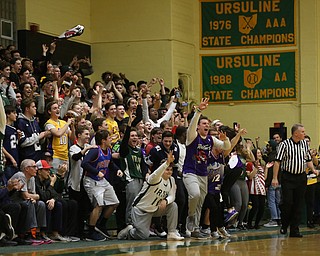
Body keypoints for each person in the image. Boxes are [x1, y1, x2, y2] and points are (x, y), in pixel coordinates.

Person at [183, 98, 231, 239]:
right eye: (204, 123)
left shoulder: (210, 139)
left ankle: (195, 228)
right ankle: (190, 218)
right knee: (195, 194)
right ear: (198, 126)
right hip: (190, 172)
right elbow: (191, 126)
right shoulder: (192, 136)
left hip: (203, 174)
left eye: (208, 123)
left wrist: (225, 139)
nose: (207, 125)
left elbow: (226, 147)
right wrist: (198, 111)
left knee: (200, 203)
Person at [117, 151, 184, 241]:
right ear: (162, 169)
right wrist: (166, 163)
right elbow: (156, 173)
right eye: (167, 169)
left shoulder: (171, 180)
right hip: (141, 209)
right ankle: (129, 231)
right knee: (143, 235)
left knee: (173, 206)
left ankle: (171, 232)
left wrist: (166, 201)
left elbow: (172, 196)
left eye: (171, 170)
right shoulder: (154, 178)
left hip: (155, 209)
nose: (169, 172)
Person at [272, 123, 319, 237]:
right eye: (302, 132)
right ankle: (284, 225)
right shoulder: (284, 144)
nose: (304, 133)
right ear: (296, 133)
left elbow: (308, 159)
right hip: (288, 177)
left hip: (301, 177)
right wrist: (274, 178)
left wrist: (313, 169)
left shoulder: (304, 144)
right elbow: (277, 162)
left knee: (298, 204)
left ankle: (295, 229)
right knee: (287, 203)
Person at [81, 130, 123, 241]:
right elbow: (84, 163)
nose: (111, 140)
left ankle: (101, 225)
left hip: (102, 180)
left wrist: (117, 170)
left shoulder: (108, 150)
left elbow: (110, 163)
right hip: (91, 180)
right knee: (98, 205)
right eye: (109, 138)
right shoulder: (95, 151)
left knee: (115, 202)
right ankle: (91, 232)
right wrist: (96, 171)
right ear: (103, 140)